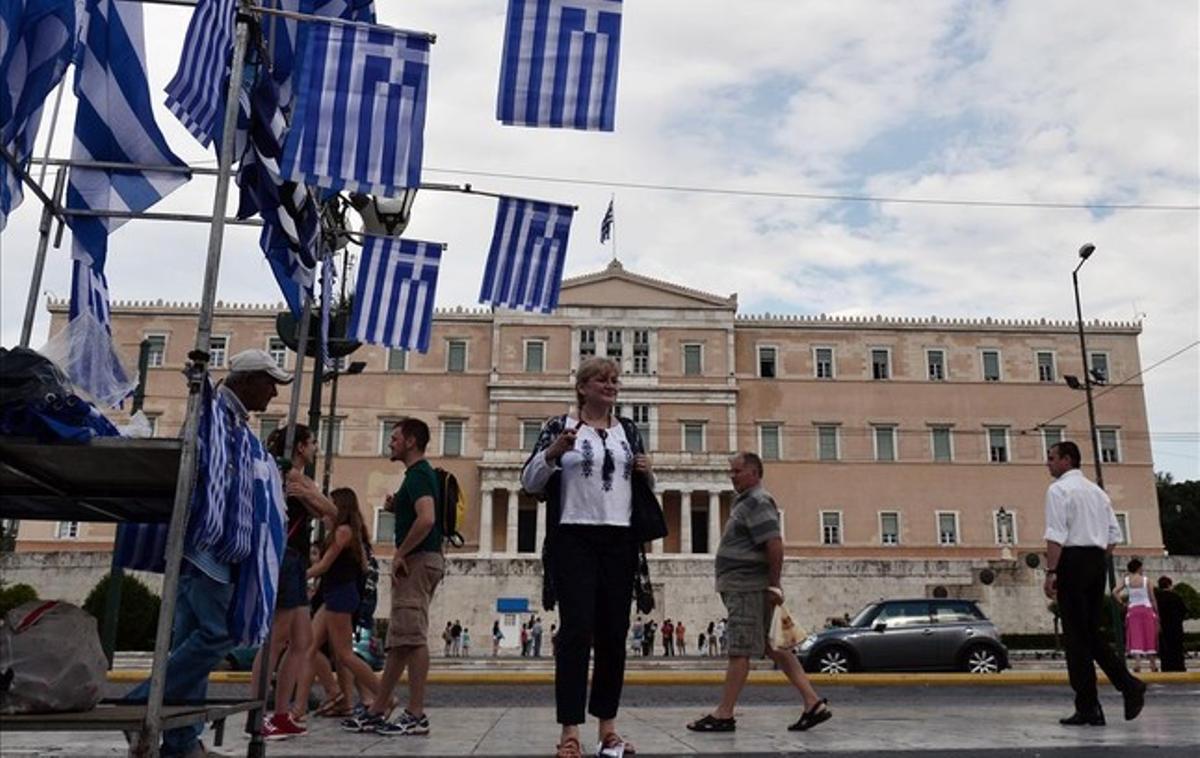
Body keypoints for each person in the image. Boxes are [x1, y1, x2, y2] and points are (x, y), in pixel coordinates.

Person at [126, 349, 291, 757]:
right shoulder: (215, 413)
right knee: (220, 634)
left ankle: (181, 742)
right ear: (247, 379)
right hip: (207, 548)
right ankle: (140, 703)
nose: (273, 392)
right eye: (269, 382)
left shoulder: (231, 420)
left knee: (189, 640)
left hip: (205, 548)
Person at [522, 356, 652, 758]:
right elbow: (529, 482)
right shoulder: (558, 427)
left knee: (614, 636)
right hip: (574, 537)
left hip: (620, 539)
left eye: (614, 380)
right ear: (582, 387)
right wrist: (553, 454)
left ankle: (608, 729)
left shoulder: (628, 430)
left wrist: (648, 472)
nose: (610, 386)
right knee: (576, 633)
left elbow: (641, 487)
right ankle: (570, 731)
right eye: (602, 380)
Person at [687, 452, 830, 734]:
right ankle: (813, 703)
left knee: (740, 649)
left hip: (748, 587)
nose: (732, 475)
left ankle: (724, 714)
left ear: (753, 472)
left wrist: (774, 585)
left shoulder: (757, 501)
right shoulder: (747, 502)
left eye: (737, 471)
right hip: (748, 585)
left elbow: (774, 543)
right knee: (774, 645)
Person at [343, 418, 444, 736]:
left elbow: (426, 519)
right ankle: (378, 708)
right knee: (400, 641)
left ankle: (416, 714)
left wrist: (400, 554)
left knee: (412, 639)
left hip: (416, 561)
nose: (390, 442)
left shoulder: (418, 475)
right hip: (420, 560)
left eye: (395, 437)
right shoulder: (416, 477)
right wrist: (397, 506)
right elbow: (420, 513)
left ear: (412, 441)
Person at [1042, 441, 1145, 726]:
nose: (1047, 463)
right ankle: (1112, 693)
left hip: (1072, 561)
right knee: (1089, 633)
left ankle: (1101, 699)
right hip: (1096, 561)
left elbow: (1055, 535)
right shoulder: (1098, 492)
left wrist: (1052, 571)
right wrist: (1095, 558)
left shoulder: (1058, 490)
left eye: (1051, 458)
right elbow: (1113, 535)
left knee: (1076, 637)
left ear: (1066, 460)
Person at [254, 423, 337, 738]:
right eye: (313, 442)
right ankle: (258, 713)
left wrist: (315, 496)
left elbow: (328, 512)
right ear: (301, 447)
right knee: (276, 640)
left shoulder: (299, 479)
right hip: (286, 556)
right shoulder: (289, 476)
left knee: (302, 643)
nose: (316, 448)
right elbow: (330, 512)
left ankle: (281, 713)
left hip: (296, 559)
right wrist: (315, 495)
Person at [300, 488, 378, 719]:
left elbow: (323, 565)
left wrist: (297, 576)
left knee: (343, 654)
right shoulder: (348, 531)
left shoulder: (343, 531)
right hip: (335, 594)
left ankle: (380, 696)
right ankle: (340, 698)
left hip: (339, 595)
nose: (324, 508)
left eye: (330, 503)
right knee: (317, 648)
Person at [1113, 558, 1160, 673]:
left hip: (1133, 609)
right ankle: (1152, 664)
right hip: (1146, 609)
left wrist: (1123, 603)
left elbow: (1114, 592)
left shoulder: (1127, 580)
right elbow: (1152, 598)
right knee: (1149, 635)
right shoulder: (1146, 580)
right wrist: (1156, 612)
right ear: (1139, 568)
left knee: (1135, 635)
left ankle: (1137, 663)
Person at [1154, 576, 1187, 672]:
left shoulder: (1157, 598)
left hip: (1162, 627)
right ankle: (1179, 666)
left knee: (1165, 649)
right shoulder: (1176, 597)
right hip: (1175, 627)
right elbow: (1183, 611)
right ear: (1169, 585)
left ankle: (1166, 667)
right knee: (1177, 649)